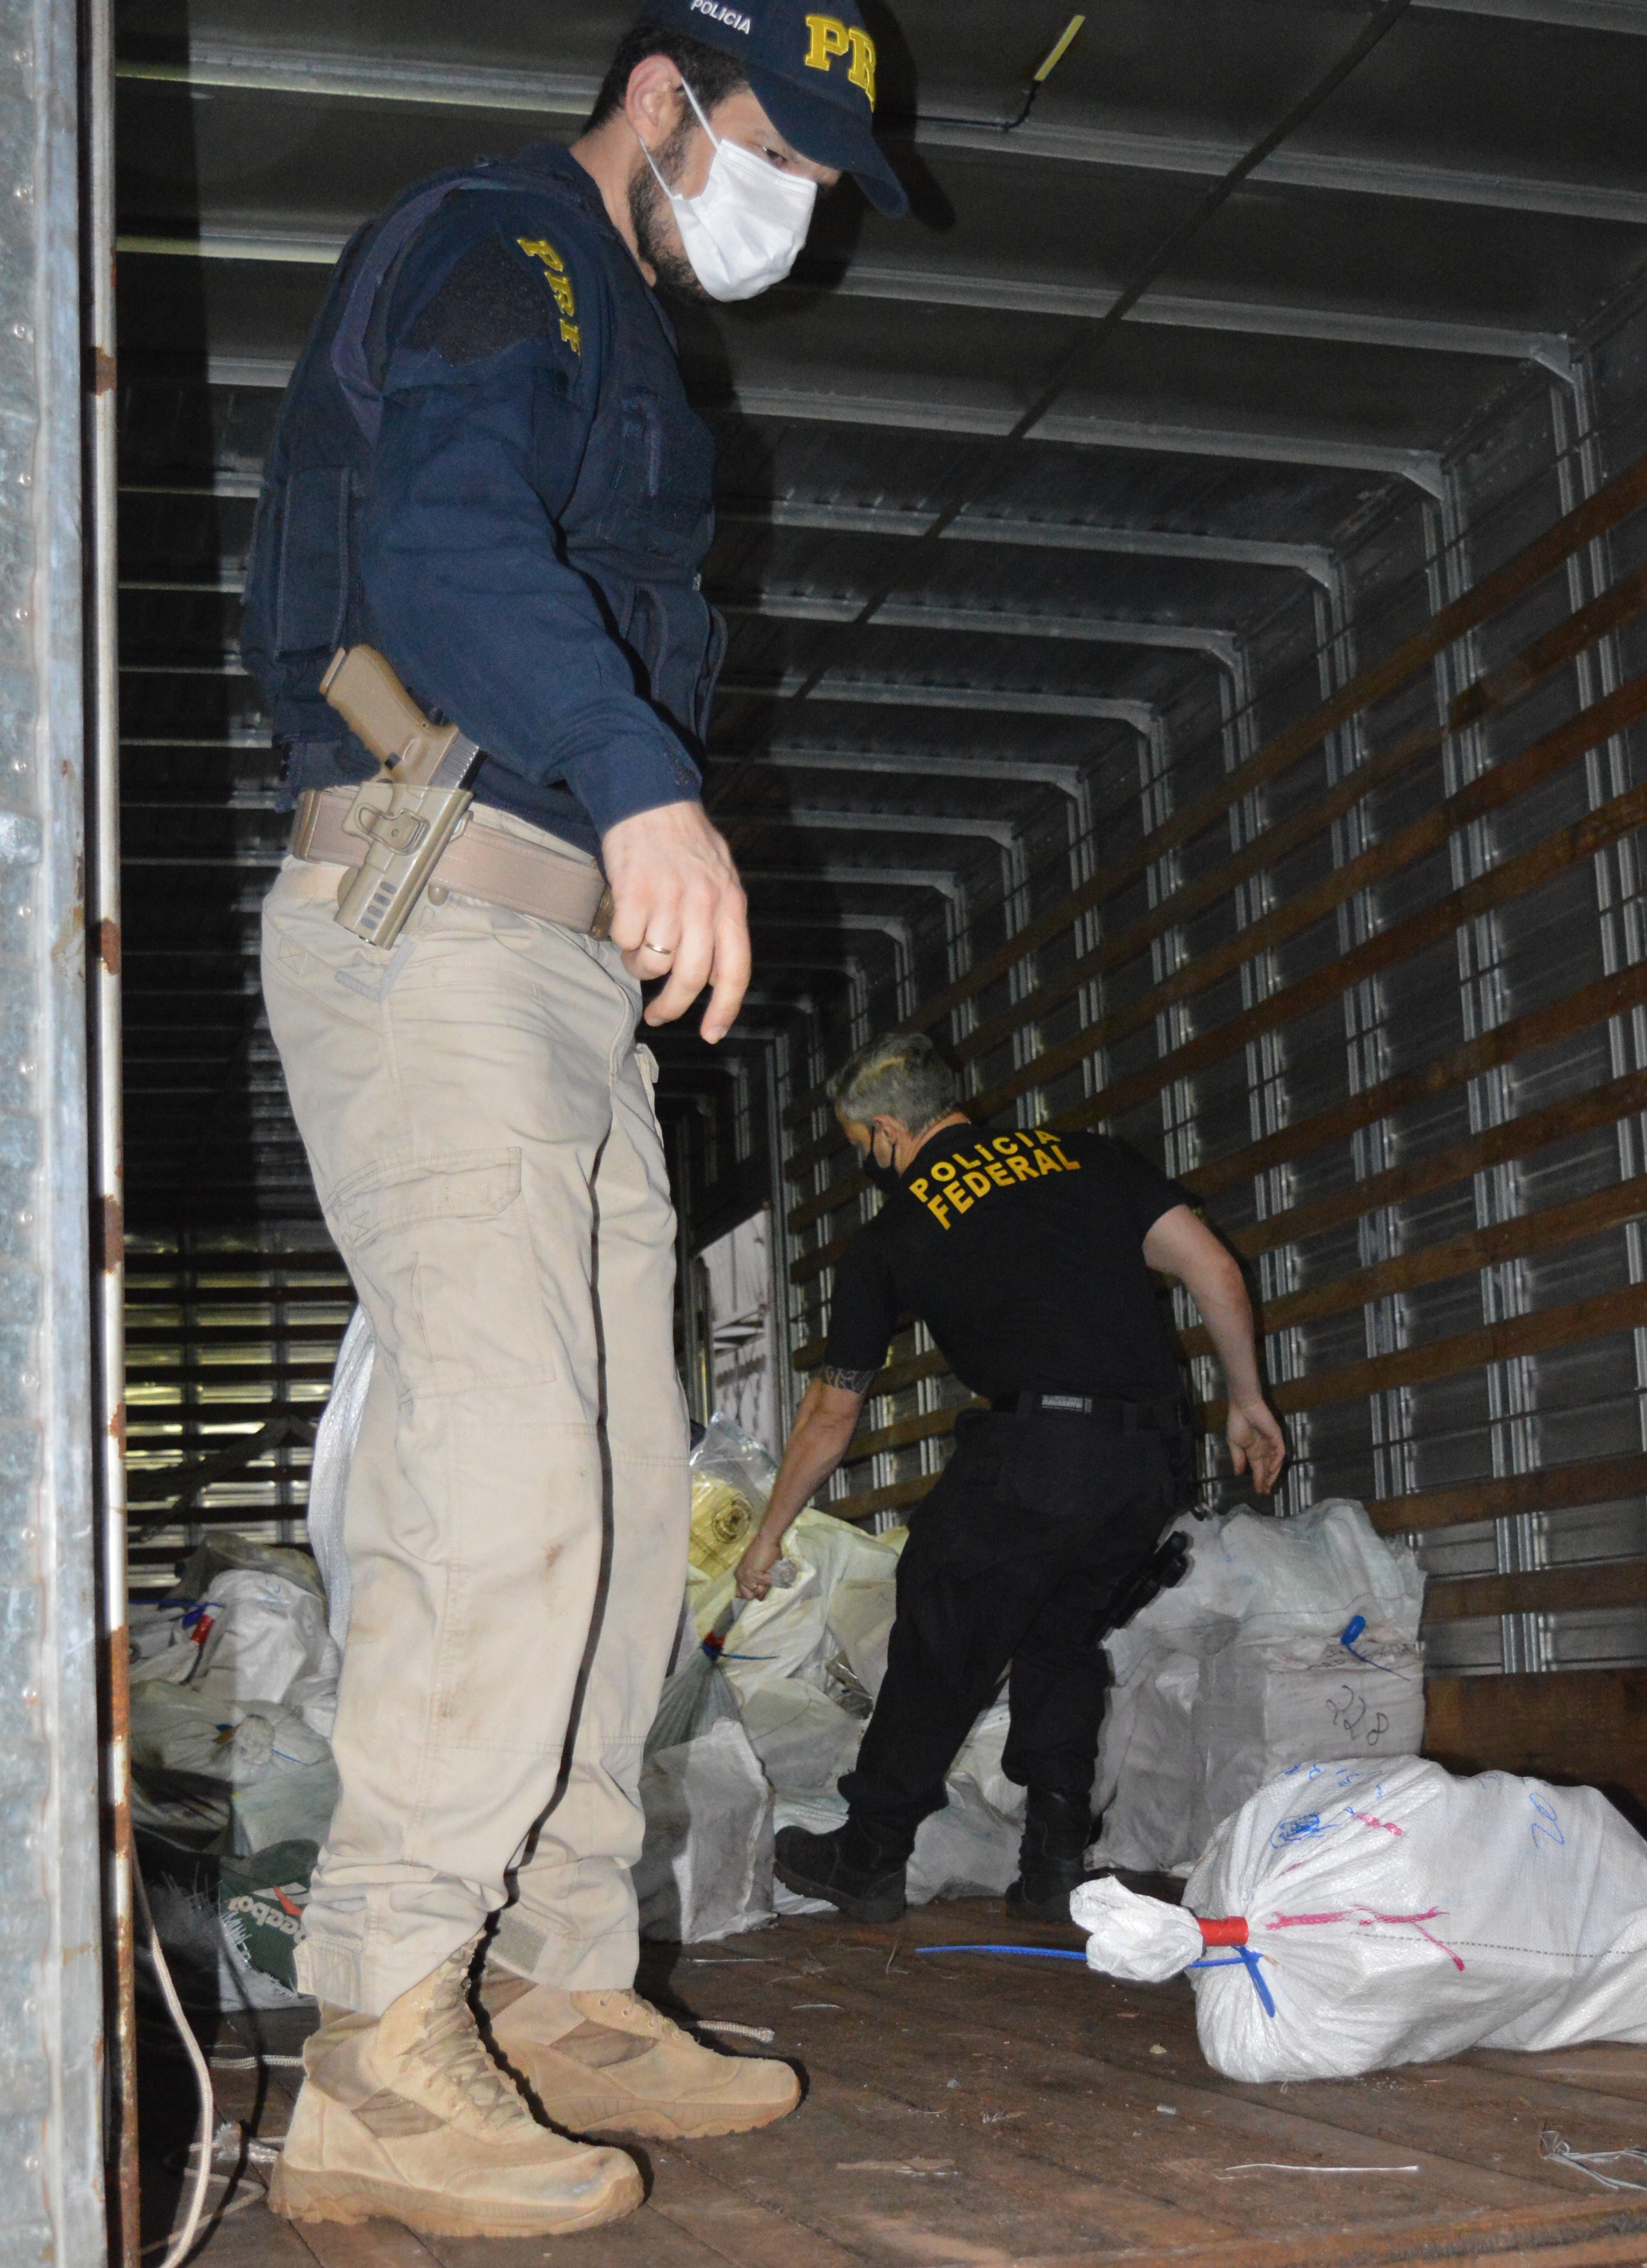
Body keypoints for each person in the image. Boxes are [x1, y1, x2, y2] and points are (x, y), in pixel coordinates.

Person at [242, 2, 908, 2239]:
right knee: (513, 1459)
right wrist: (645, 782)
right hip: (426, 907)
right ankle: (379, 2036)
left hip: (546, 967)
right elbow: (440, 537)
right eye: (778, 154)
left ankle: (554, 1970)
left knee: (633, 1487)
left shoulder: (610, 314)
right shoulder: (514, 240)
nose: (793, 208)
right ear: (661, 98)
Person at [736, 1033, 1286, 1926]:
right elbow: (1213, 1268)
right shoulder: (1087, 1156)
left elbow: (830, 1416)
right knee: (1059, 1629)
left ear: (884, 1131)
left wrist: (767, 1534)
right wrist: (1246, 1398)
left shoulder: (895, 1231)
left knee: (942, 1618)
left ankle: (871, 1852)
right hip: (1150, 1454)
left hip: (1038, 1451)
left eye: (859, 1147)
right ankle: (1056, 1857)